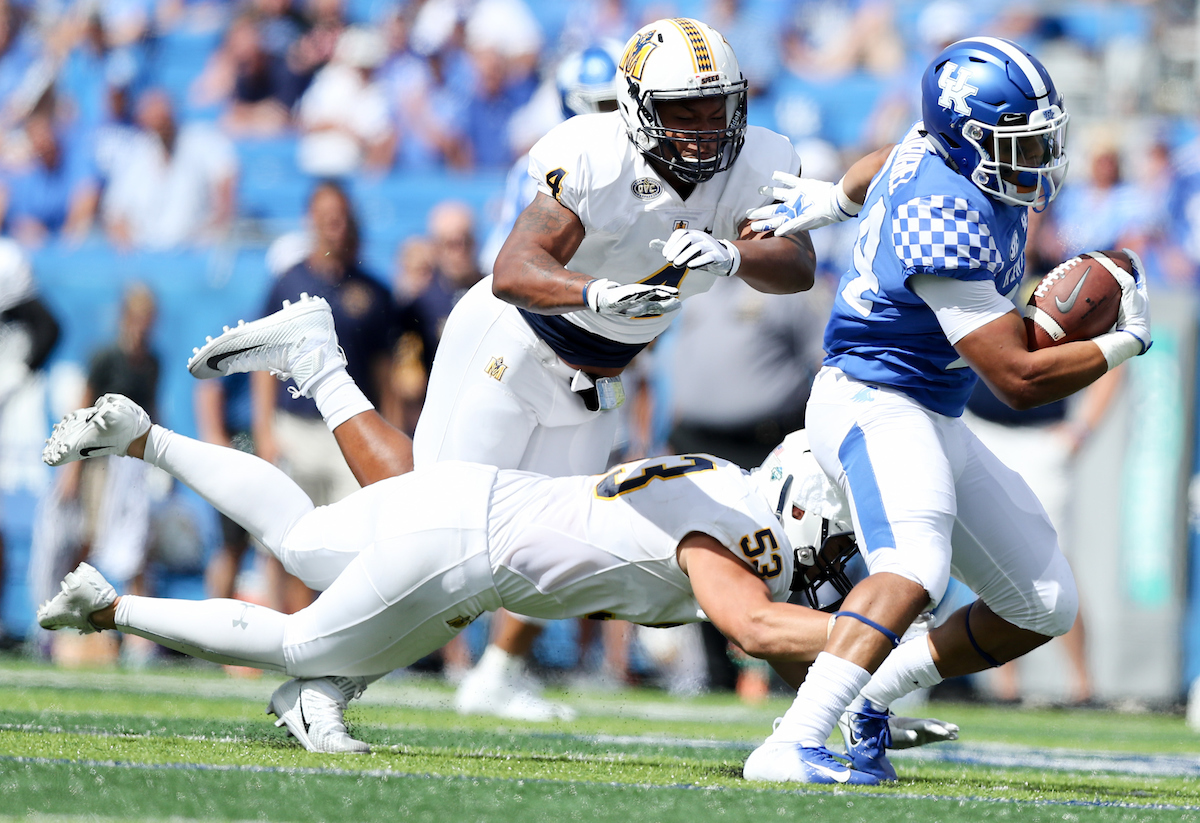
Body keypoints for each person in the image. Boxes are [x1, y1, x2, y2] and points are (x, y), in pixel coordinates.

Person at [38, 391, 959, 763]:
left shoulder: (723, 484)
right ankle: (109, 606)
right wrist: (885, 650)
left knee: (305, 536)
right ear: (802, 508)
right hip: (463, 554)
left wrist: (851, 703)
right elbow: (753, 628)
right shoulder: (730, 528)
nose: (835, 563)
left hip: (466, 499)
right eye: (838, 540)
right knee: (300, 644)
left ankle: (147, 437)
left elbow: (776, 636)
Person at [736, 37, 1152, 783]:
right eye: (1015, 143)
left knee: (1043, 601)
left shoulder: (936, 148)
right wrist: (1125, 343)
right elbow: (1017, 377)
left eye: (1039, 140)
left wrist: (832, 202)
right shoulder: (944, 213)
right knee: (914, 566)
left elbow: (882, 162)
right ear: (966, 138)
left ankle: (872, 699)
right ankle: (791, 740)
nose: (1035, 160)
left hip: (928, 406)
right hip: (873, 397)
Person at [247, 180, 397, 613]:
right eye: (326, 217)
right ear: (311, 221)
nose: (335, 226)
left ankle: (341, 625)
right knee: (288, 539)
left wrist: (387, 430)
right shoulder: (288, 282)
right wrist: (265, 431)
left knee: (353, 541)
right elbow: (262, 363)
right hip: (294, 426)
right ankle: (288, 625)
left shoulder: (374, 291)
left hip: (350, 429)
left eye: (341, 217)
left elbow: (385, 373)